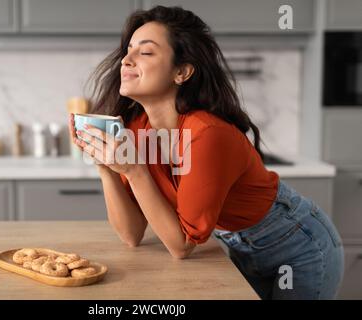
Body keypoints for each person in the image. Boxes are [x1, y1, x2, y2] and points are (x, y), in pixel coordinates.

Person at [68, 6, 344, 300]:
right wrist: (105, 166)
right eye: (128, 49)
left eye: (145, 52)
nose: (126, 59)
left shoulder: (207, 135)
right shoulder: (137, 129)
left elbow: (181, 245)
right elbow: (131, 235)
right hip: (241, 247)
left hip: (299, 244)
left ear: (182, 72)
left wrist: (134, 171)